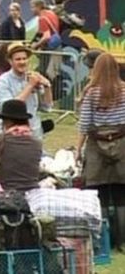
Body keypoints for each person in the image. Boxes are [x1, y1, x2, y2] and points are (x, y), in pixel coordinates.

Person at [76, 53, 125, 248]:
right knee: (122, 194)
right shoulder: (124, 91)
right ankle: (122, 240)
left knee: (100, 195)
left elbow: (84, 124)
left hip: (97, 146)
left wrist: (78, 149)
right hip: (122, 144)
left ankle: (104, 241)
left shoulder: (91, 93)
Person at [0, 42, 52, 140]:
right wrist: (30, 86)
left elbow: (46, 107)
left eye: (24, 58)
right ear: (10, 61)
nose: (22, 62)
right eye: (18, 59)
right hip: (10, 133)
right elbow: (10, 109)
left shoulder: (33, 77)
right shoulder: (2, 81)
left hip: (33, 132)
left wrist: (47, 86)